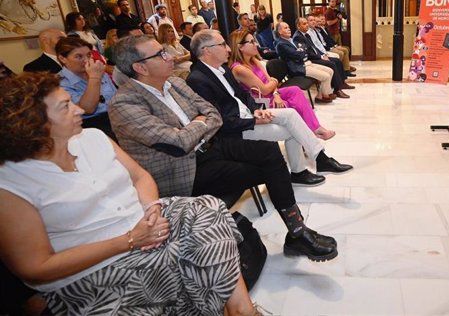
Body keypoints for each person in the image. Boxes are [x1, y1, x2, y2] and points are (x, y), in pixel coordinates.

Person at [0, 72, 259, 316]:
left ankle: (242, 309)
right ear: (33, 124)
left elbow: (140, 177)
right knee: (180, 262)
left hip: (145, 224)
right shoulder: (11, 182)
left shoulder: (93, 138)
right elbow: (36, 267)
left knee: (207, 209)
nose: (80, 109)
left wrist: (152, 211)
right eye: (65, 106)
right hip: (96, 266)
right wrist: (130, 240)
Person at [109, 35, 338, 261]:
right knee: (268, 168)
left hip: (211, 146)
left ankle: (297, 232)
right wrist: (199, 122)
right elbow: (178, 144)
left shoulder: (175, 84)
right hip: (184, 170)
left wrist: (196, 125)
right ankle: (287, 232)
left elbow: (213, 115)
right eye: (160, 54)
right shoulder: (125, 103)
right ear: (140, 67)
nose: (170, 56)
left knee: (269, 153)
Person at [187, 30, 351, 185]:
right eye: (223, 45)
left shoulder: (222, 69)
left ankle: (318, 159)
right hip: (236, 130)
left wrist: (256, 109)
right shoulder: (198, 79)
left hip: (248, 115)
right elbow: (218, 120)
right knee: (292, 130)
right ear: (207, 50)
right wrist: (253, 120)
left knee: (291, 114)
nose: (228, 49)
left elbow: (243, 96)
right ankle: (304, 169)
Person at [229, 29, 335, 140]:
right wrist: (274, 83)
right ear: (240, 47)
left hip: (271, 94)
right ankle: (306, 135)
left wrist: (276, 94)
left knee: (295, 90)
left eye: (254, 41)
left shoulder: (253, 61)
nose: (255, 44)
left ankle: (315, 129)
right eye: (251, 42)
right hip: (259, 102)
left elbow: (269, 81)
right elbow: (265, 88)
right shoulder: (239, 69)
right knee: (291, 106)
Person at [56, 36, 117, 140]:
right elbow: (87, 109)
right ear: (62, 58)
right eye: (79, 57)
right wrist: (94, 78)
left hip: (116, 117)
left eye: (89, 55)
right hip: (90, 126)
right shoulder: (60, 83)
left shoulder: (99, 72)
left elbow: (116, 97)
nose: (87, 60)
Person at [274, 21, 336, 104]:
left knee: (330, 71)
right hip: (298, 68)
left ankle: (322, 94)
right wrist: (301, 51)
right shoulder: (281, 44)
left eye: (288, 27)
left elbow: (304, 49)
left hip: (305, 63)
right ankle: (323, 96)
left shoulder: (290, 40)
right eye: (285, 28)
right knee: (326, 76)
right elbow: (299, 55)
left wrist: (301, 51)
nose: (289, 29)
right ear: (280, 32)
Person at [293, 16, 353, 96]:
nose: (307, 25)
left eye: (307, 23)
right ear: (298, 26)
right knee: (332, 63)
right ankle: (337, 89)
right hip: (310, 59)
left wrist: (322, 55)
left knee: (337, 61)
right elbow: (308, 53)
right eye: (304, 24)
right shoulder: (298, 37)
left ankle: (342, 83)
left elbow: (314, 48)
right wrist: (320, 57)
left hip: (316, 56)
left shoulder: (305, 35)